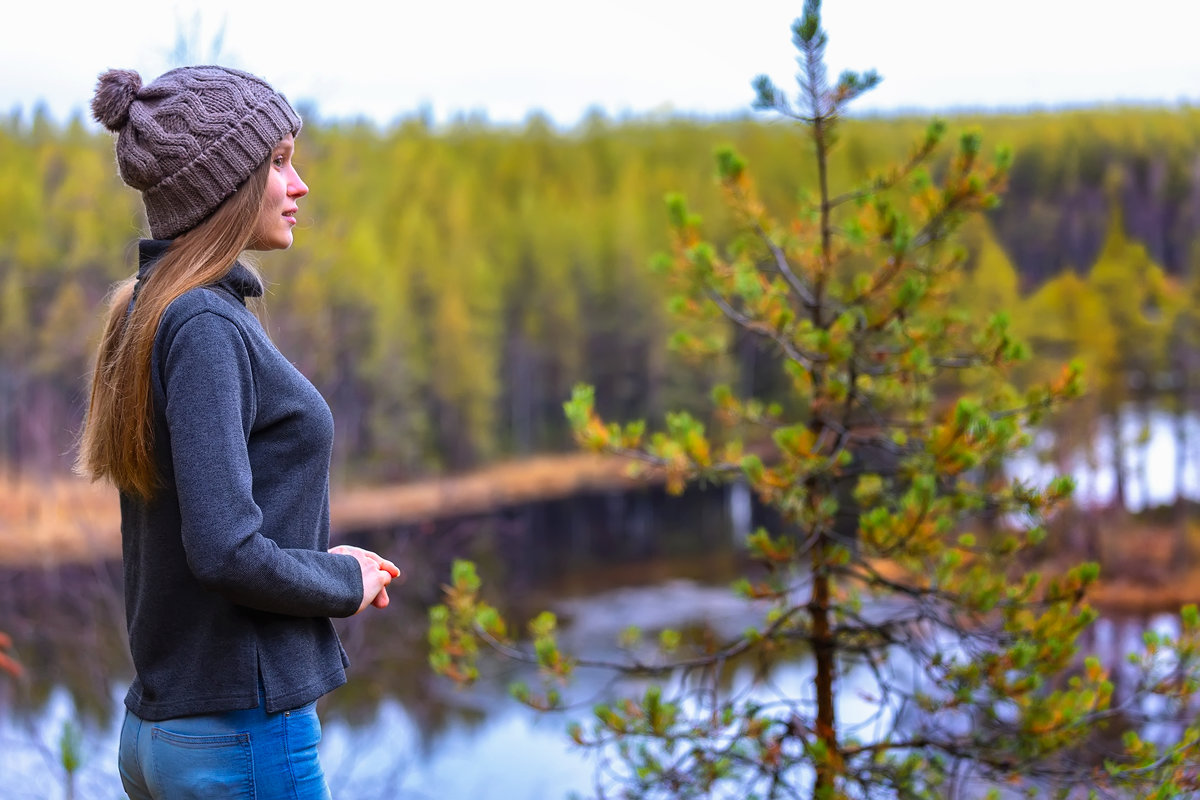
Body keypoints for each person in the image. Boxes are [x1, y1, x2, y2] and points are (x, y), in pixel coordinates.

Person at [77, 65, 398, 799]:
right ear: (224, 185)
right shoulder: (204, 327)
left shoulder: (154, 312)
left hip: (166, 733)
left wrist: (322, 565)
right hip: (238, 736)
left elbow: (214, 522)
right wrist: (341, 583)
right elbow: (223, 549)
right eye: (279, 162)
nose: (300, 184)